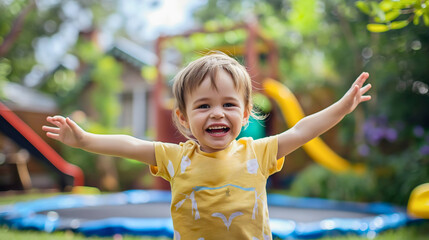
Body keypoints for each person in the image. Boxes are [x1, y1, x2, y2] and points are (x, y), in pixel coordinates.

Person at [42, 52, 371, 240]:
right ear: (183, 119)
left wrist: (342, 107)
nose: (217, 113)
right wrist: (84, 139)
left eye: (228, 105)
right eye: (203, 106)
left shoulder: (258, 152)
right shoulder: (174, 158)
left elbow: (302, 129)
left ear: (244, 115)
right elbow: (130, 144)